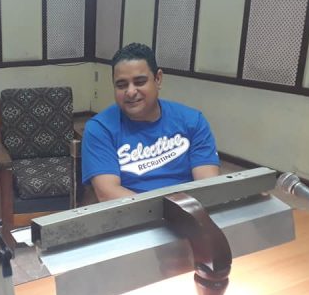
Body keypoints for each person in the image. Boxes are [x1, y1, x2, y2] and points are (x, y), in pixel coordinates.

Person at [82, 43, 220, 202]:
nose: (131, 92)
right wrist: (167, 212)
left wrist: (183, 214)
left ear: (158, 79)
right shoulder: (100, 129)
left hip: (189, 212)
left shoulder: (192, 121)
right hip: (130, 216)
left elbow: (208, 185)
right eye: (121, 85)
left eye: (139, 82)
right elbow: (108, 193)